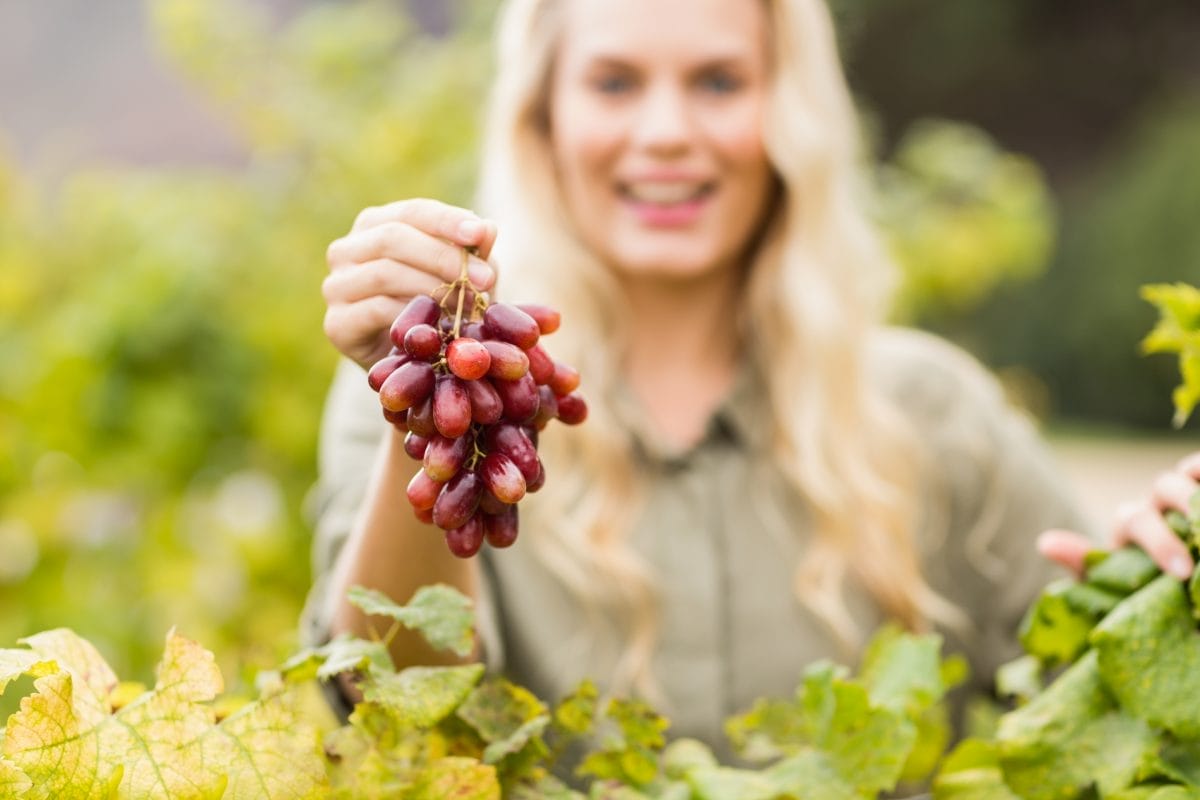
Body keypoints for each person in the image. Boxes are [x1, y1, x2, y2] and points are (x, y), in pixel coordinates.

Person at [304, 0, 1200, 759]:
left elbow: (1107, 714)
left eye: (719, 82)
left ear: (791, 114)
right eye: (614, 83)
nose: (666, 134)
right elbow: (398, 724)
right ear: (544, 118)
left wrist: (1170, 587)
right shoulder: (427, 395)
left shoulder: (934, 412)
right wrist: (426, 426)